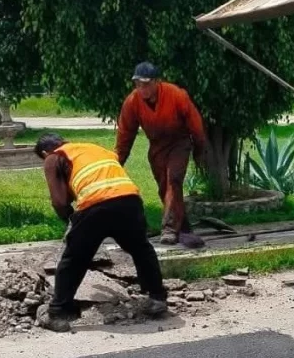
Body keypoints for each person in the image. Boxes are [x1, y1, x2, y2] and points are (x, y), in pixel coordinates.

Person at [34, 132, 169, 332]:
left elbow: (60, 201)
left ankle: (58, 312)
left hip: (94, 206)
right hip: (130, 201)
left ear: (45, 152)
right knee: (141, 249)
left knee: (74, 259)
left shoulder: (53, 157)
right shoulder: (94, 149)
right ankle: (157, 298)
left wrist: (70, 220)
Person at [115, 62, 207, 248]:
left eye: (146, 84)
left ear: (157, 82)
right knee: (164, 187)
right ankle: (184, 226)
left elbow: (196, 125)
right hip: (157, 147)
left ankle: (170, 229)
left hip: (179, 142)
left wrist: (199, 150)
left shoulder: (176, 95)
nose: (142, 89)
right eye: (138, 84)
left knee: (174, 179)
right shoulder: (132, 102)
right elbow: (125, 135)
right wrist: (116, 163)